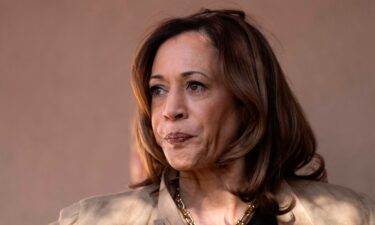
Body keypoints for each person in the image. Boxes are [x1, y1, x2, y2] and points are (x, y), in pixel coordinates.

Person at [51, 9, 375, 225]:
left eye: (195, 85)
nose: (170, 109)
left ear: (248, 102)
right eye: (158, 90)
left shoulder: (351, 217)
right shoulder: (86, 221)